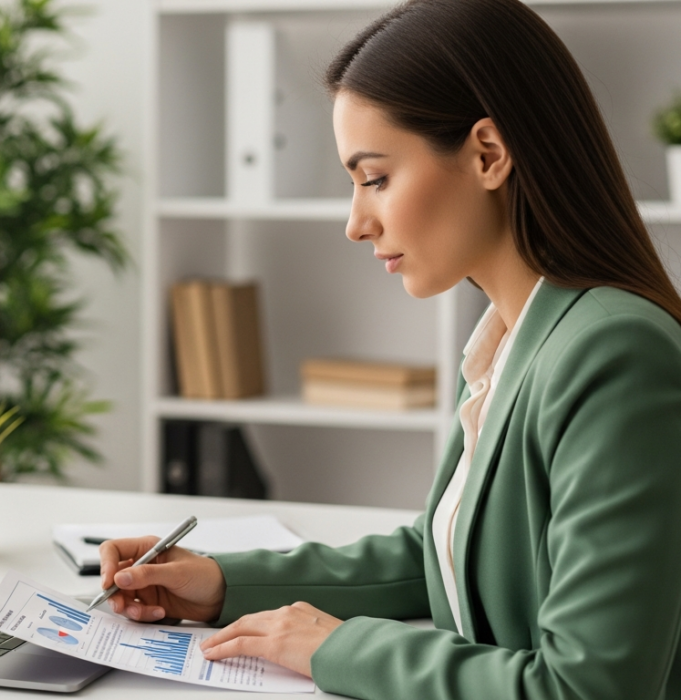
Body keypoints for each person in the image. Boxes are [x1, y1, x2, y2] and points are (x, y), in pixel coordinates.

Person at [99, 0, 681, 697]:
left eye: (375, 178)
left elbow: (591, 686)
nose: (355, 223)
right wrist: (225, 582)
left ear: (488, 155)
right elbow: (446, 552)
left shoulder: (613, 354)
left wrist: (340, 649)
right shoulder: (513, 338)